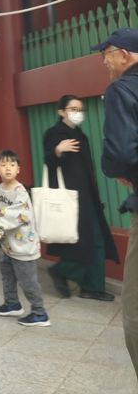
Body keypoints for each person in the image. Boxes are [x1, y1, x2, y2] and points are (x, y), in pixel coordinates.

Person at [43, 94, 118, 301]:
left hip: (87, 197)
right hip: (70, 198)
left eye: (80, 109)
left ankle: (91, 287)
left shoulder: (80, 135)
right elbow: (49, 161)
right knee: (86, 241)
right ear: (61, 112)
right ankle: (63, 271)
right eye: (73, 109)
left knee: (96, 240)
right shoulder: (55, 133)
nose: (78, 113)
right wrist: (57, 150)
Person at [95, 28, 138, 378]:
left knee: (135, 313)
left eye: (106, 53)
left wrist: (121, 169)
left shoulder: (121, 89)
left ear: (125, 55)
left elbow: (120, 152)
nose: (103, 60)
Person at [0, 149, 50, 326]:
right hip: (9, 244)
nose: (8, 168)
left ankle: (40, 312)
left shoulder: (20, 191)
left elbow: (19, 214)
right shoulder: (1, 188)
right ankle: (12, 303)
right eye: (4, 165)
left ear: (18, 169)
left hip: (23, 245)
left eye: (12, 165)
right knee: (6, 272)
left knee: (27, 280)